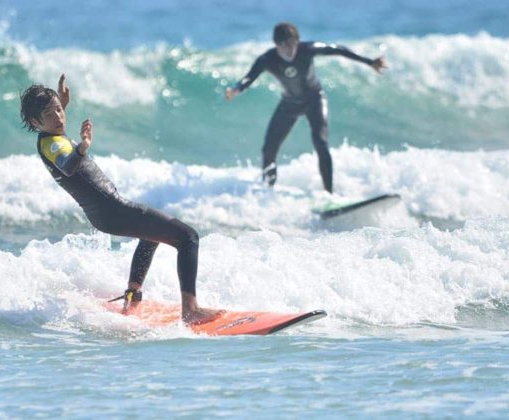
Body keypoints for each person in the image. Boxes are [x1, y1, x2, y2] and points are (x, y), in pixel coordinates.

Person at [20, 74, 221, 324]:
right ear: (35, 122)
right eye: (50, 115)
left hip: (104, 214)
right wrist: (83, 146)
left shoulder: (48, 136)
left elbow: (55, 128)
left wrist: (59, 102)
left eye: (60, 110)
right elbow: (67, 165)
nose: (59, 117)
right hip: (113, 209)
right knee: (187, 237)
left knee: (150, 237)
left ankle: (132, 293)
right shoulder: (53, 146)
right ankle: (191, 311)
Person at [225, 22, 387, 193]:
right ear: (276, 44)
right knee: (269, 148)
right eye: (286, 45)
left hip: (314, 100)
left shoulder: (307, 49)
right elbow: (249, 77)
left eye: (294, 44)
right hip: (289, 104)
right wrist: (236, 89)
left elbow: (338, 49)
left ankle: (329, 194)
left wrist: (369, 62)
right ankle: (267, 191)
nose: (291, 49)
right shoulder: (267, 59)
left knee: (321, 143)